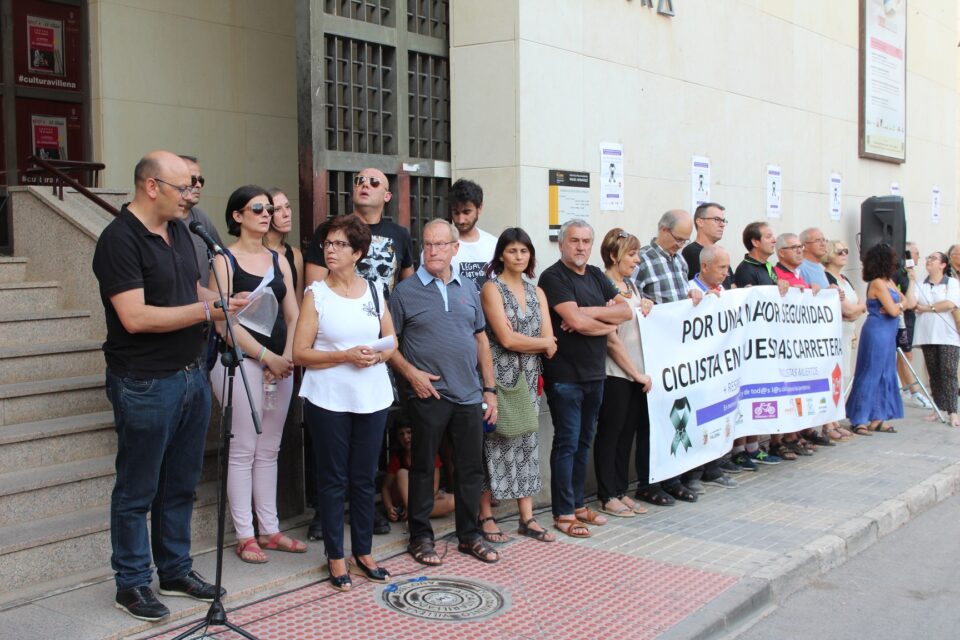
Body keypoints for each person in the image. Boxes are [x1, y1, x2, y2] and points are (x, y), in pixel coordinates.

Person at [92, 150, 239, 621]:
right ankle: (131, 583)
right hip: (144, 383)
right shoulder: (119, 240)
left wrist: (225, 302)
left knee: (181, 483)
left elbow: (187, 290)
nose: (191, 196)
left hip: (191, 374)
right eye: (183, 187)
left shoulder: (180, 230)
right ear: (151, 186)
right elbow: (134, 317)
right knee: (137, 490)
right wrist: (206, 313)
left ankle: (174, 569)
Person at [293, 214, 398, 591]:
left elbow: (391, 341)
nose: (330, 250)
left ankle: (364, 552)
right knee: (334, 477)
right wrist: (345, 356)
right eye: (328, 243)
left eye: (339, 244)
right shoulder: (316, 294)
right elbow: (300, 353)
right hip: (328, 397)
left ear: (358, 252)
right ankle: (336, 556)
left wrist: (378, 356)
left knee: (363, 476)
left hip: (371, 396)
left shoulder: (373, 289)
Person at [389, 219, 500, 565]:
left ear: (455, 248)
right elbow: (389, 345)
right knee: (423, 468)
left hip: (469, 395)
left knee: (469, 470)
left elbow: (481, 340)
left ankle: (469, 535)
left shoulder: (469, 289)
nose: (433, 251)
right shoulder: (404, 292)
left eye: (440, 244)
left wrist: (490, 390)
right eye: (428, 244)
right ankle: (420, 538)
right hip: (428, 395)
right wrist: (411, 375)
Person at [210, 186, 303, 564]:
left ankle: (270, 529)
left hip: (280, 364)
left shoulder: (277, 258)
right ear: (237, 216)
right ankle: (245, 535)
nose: (267, 214)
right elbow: (223, 323)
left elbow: (294, 313)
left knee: (271, 449)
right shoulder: (224, 259)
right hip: (239, 364)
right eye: (258, 208)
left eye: (269, 208)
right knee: (243, 449)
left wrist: (285, 356)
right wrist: (266, 357)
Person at [540, 219, 632, 535]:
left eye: (586, 241)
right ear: (562, 243)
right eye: (575, 241)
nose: (581, 247)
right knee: (566, 442)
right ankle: (563, 513)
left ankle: (579, 504)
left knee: (583, 441)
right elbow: (574, 323)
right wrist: (601, 323)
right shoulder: (553, 277)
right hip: (565, 375)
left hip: (595, 373)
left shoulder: (594, 274)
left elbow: (626, 311)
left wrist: (588, 314)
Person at [477, 227, 557, 543]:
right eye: (512, 251)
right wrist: (535, 341)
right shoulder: (491, 290)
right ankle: (485, 515)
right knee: (494, 444)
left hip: (529, 380)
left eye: (524, 251)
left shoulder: (537, 292)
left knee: (526, 445)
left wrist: (531, 342)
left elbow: (551, 343)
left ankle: (527, 518)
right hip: (498, 380)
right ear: (501, 255)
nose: (519, 256)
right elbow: (506, 339)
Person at [633, 210, 705, 505]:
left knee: (678, 415)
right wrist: (643, 302)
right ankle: (649, 482)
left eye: (685, 240)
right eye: (678, 238)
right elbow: (630, 292)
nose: (681, 244)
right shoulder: (644, 258)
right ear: (662, 230)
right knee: (652, 422)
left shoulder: (680, 259)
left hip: (677, 354)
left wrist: (693, 293)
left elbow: (680, 290)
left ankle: (672, 478)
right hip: (654, 354)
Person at [593, 229, 654, 519]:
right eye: (631, 254)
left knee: (626, 434)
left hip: (635, 373)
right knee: (610, 434)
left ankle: (620, 490)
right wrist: (634, 372)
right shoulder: (604, 286)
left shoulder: (631, 284)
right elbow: (611, 339)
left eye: (637, 253)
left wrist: (647, 304)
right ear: (614, 255)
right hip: (615, 373)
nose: (637, 260)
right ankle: (606, 494)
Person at [304, 168, 414, 299]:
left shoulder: (400, 234)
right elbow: (314, 291)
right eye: (359, 180)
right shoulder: (331, 230)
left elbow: (409, 290)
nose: (365, 184)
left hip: (384, 316)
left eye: (374, 182)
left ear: (387, 196)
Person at [731, 222, 788, 468]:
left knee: (758, 393)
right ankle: (739, 449)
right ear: (755, 242)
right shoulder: (746, 269)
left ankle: (753, 446)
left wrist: (782, 288)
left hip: (767, 343)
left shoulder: (769, 267)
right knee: (746, 395)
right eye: (768, 236)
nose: (773, 240)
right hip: (751, 344)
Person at [846, 243, 912, 435]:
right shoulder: (877, 283)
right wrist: (898, 306)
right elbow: (894, 309)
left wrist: (898, 305)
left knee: (886, 373)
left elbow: (906, 302)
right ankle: (859, 418)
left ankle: (878, 417)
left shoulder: (889, 282)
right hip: (877, 332)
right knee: (870, 373)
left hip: (888, 331)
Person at [823, 240, 865, 439]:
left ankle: (836, 418)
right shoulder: (827, 276)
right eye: (839, 251)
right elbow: (846, 309)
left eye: (846, 251)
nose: (844, 254)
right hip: (836, 332)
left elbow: (859, 305)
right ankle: (828, 422)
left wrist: (853, 312)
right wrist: (852, 311)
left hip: (848, 331)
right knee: (834, 376)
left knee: (845, 375)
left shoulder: (845, 278)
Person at [913, 251, 960, 427]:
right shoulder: (919, 283)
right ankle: (937, 407)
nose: (929, 261)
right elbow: (912, 303)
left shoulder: (952, 283)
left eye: (933, 258)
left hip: (948, 335)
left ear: (942, 265)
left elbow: (950, 304)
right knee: (934, 373)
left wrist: (926, 308)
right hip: (927, 333)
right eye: (928, 258)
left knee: (948, 371)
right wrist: (910, 280)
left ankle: (953, 411)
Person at [381, 422, 455, 522]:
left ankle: (414, 513)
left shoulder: (429, 454)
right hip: (402, 502)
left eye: (409, 432)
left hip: (423, 500)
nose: (405, 437)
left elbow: (434, 488)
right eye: (401, 434)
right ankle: (414, 515)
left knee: (453, 500)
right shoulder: (397, 458)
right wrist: (389, 507)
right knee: (402, 473)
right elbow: (386, 488)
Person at [896, 242, 932, 409]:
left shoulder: (911, 274)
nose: (918, 256)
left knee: (906, 354)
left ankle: (906, 388)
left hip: (911, 319)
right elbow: (908, 301)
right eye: (915, 253)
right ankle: (911, 390)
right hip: (902, 319)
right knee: (905, 355)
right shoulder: (899, 274)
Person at [179, 155, 222, 288]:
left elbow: (220, 255)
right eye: (192, 180)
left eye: (200, 180)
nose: (198, 185)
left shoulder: (201, 217)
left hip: (204, 303)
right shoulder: (164, 220)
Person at [448, 178, 498, 288]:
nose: (461, 220)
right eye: (456, 213)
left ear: (479, 208)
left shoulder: (494, 244)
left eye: (466, 212)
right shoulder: (438, 246)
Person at [264, 188, 304, 306]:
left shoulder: (295, 254)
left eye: (288, 206)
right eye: (277, 209)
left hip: (288, 322)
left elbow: (298, 302)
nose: (286, 214)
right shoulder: (255, 252)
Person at [682, 202, 733, 288]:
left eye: (723, 221)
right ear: (700, 222)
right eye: (717, 219)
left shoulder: (718, 253)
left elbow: (731, 284)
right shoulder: (691, 252)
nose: (722, 225)